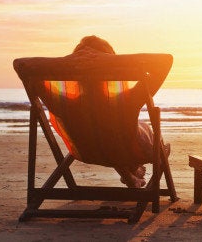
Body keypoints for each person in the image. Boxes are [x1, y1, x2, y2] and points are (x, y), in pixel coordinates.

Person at [46, 35, 158, 188]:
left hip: (87, 151)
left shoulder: (65, 103)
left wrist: (69, 62)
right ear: (113, 66)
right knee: (135, 130)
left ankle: (130, 173)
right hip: (130, 151)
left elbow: (20, 65)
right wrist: (112, 62)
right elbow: (165, 62)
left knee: (109, 135)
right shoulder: (127, 100)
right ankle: (132, 167)